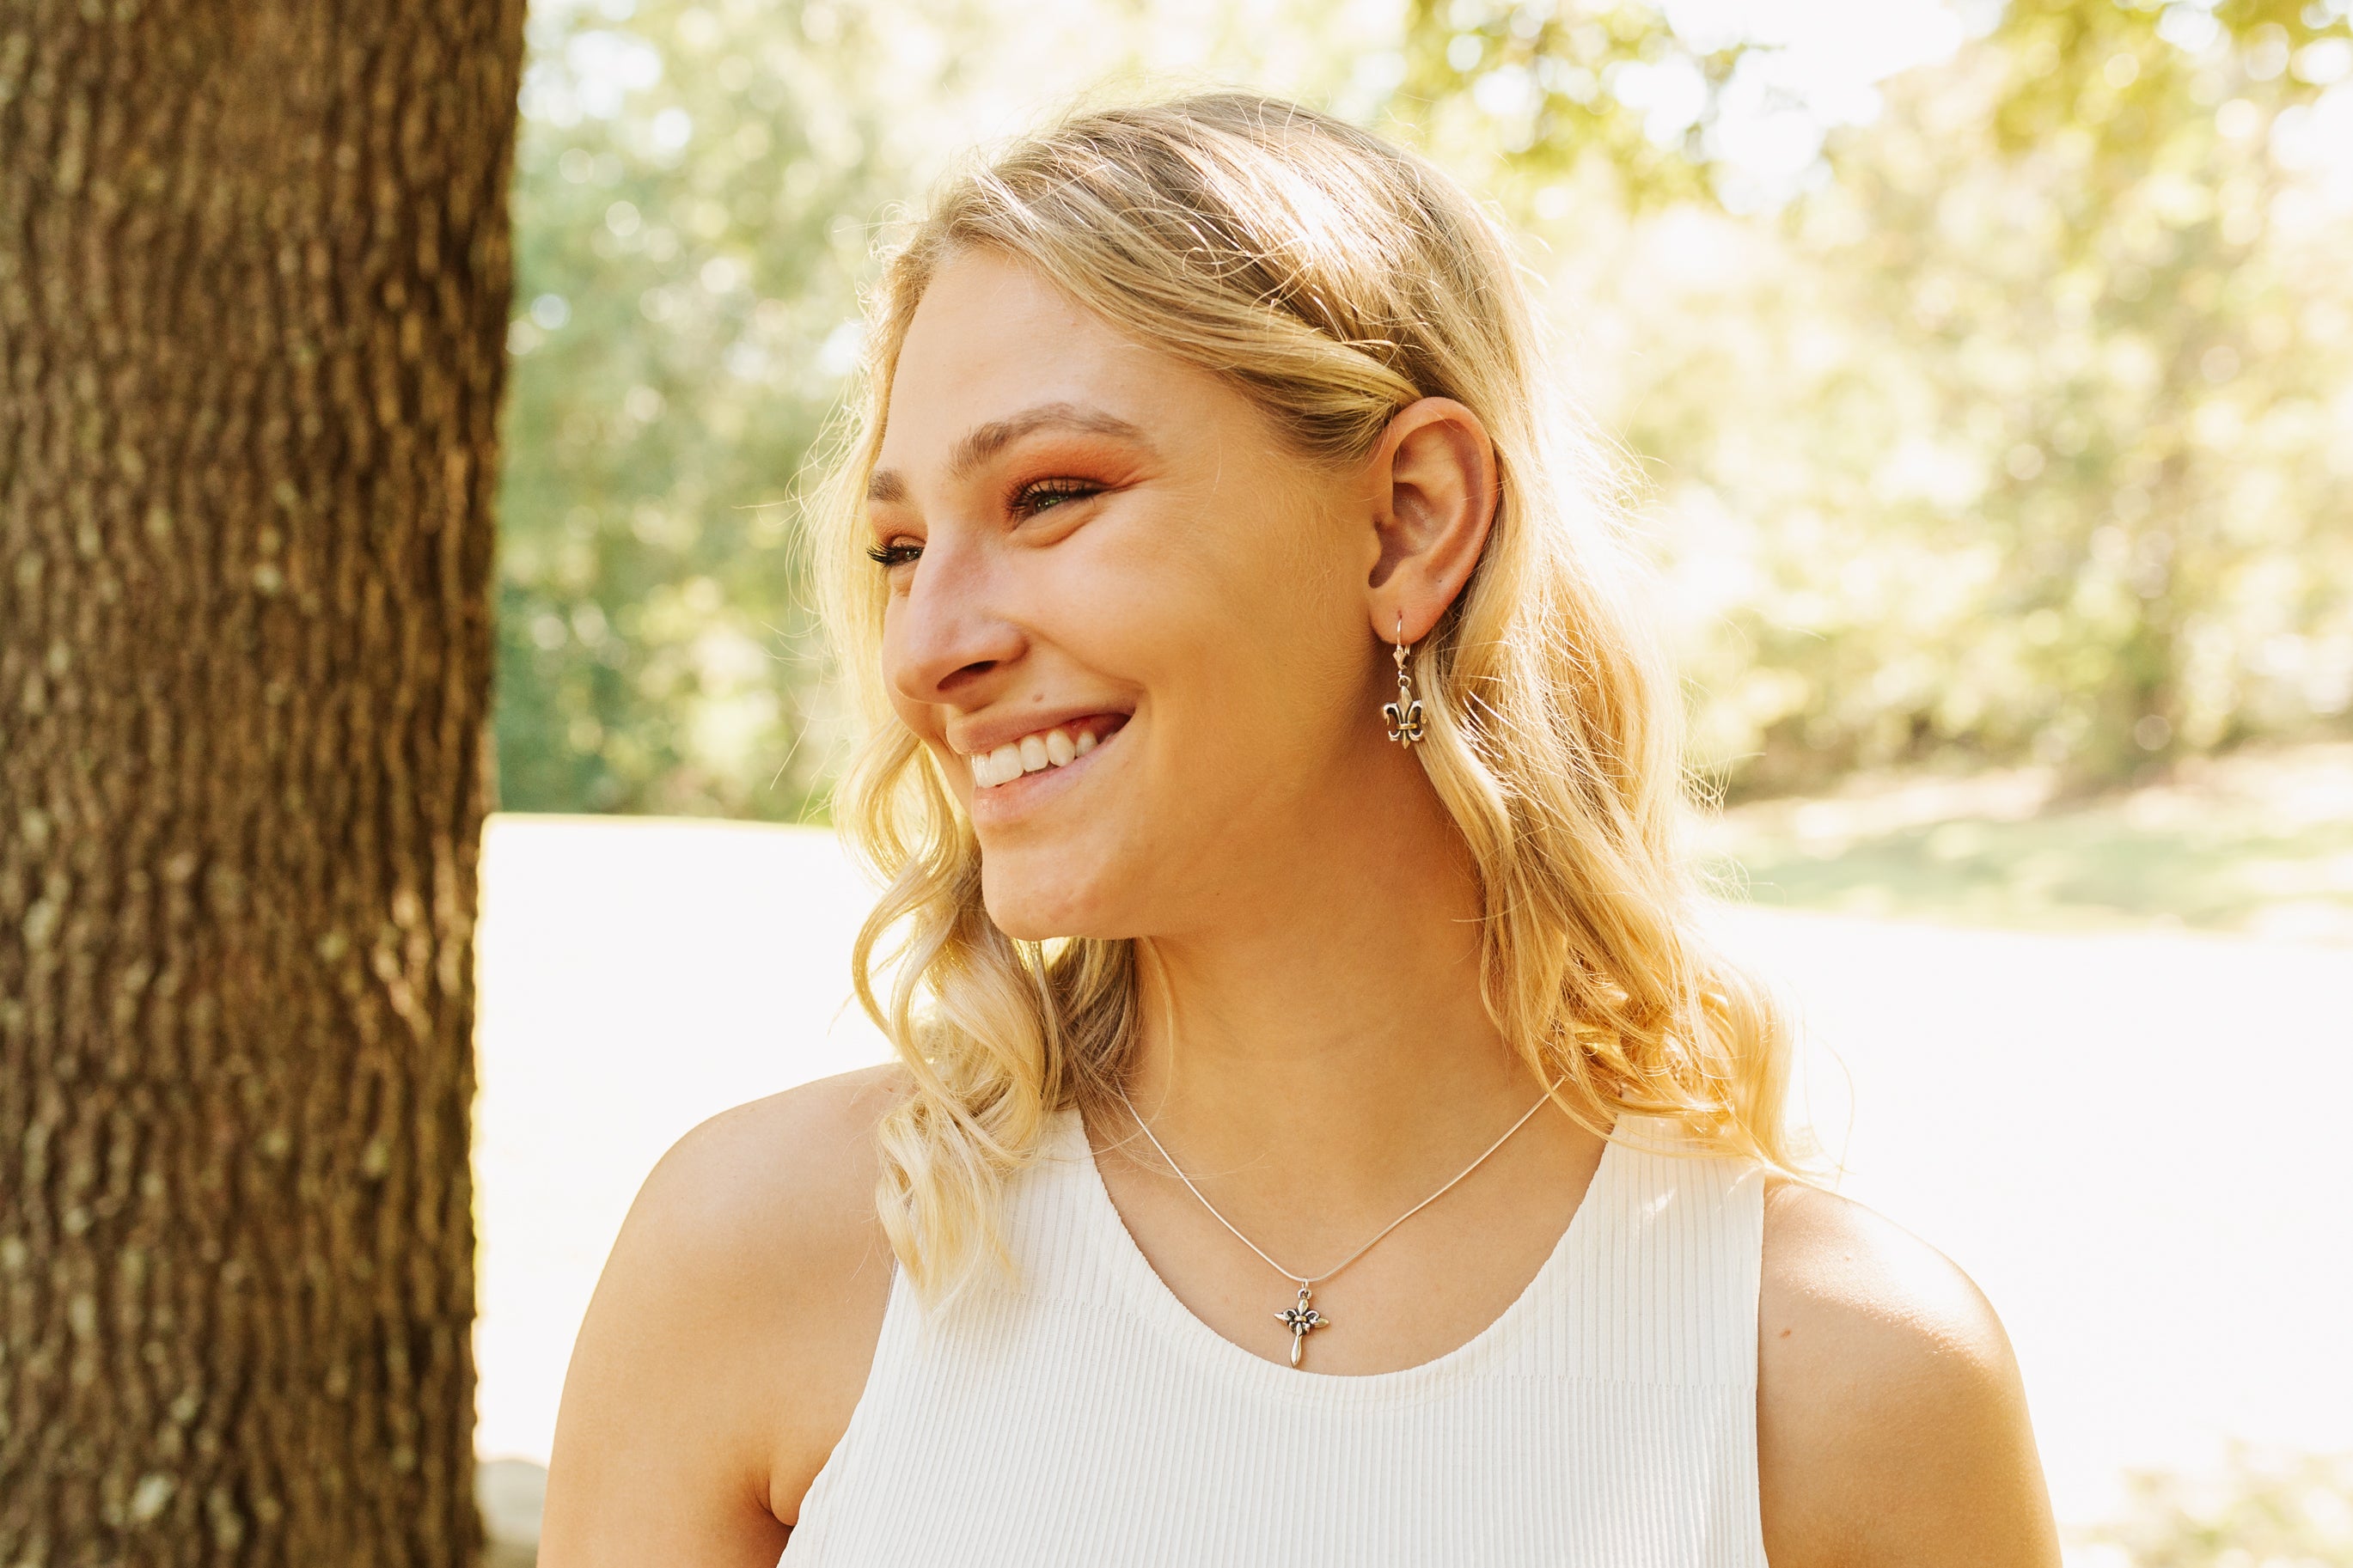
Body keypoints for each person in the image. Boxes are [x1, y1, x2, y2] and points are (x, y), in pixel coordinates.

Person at [537, 91, 2060, 1566]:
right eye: (899, 547)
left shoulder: (1842, 1384)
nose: (926, 645)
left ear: (1409, 520)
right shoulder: (762, 1258)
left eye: (1052, 494)